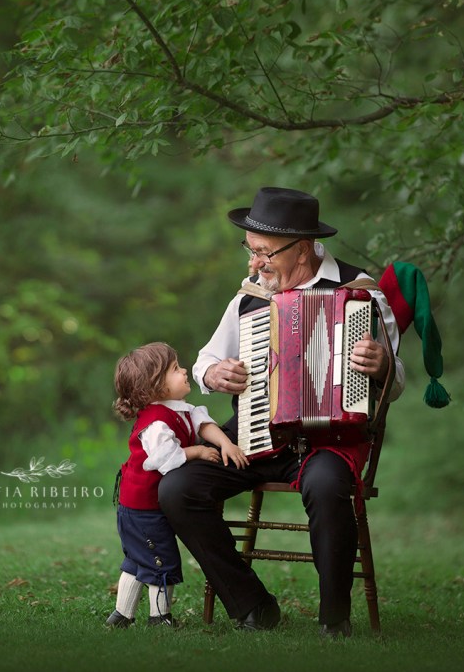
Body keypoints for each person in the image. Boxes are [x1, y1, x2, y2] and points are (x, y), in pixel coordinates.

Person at [158, 187, 406, 638]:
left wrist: (384, 365)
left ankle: (335, 619)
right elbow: (204, 362)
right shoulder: (250, 298)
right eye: (250, 251)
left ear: (304, 249)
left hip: (329, 442)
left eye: (264, 253)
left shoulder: (360, 293)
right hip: (253, 435)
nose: (254, 264)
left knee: (328, 485)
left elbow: (398, 381)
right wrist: (216, 375)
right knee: (178, 488)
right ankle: (252, 605)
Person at [107, 342, 249, 628]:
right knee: (161, 561)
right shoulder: (156, 422)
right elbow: (165, 458)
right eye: (175, 369)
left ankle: (121, 616)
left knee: (139, 560)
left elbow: (203, 423)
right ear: (155, 386)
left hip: (142, 505)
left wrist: (225, 442)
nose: (184, 370)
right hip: (142, 508)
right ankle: (159, 618)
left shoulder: (178, 408)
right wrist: (197, 452)